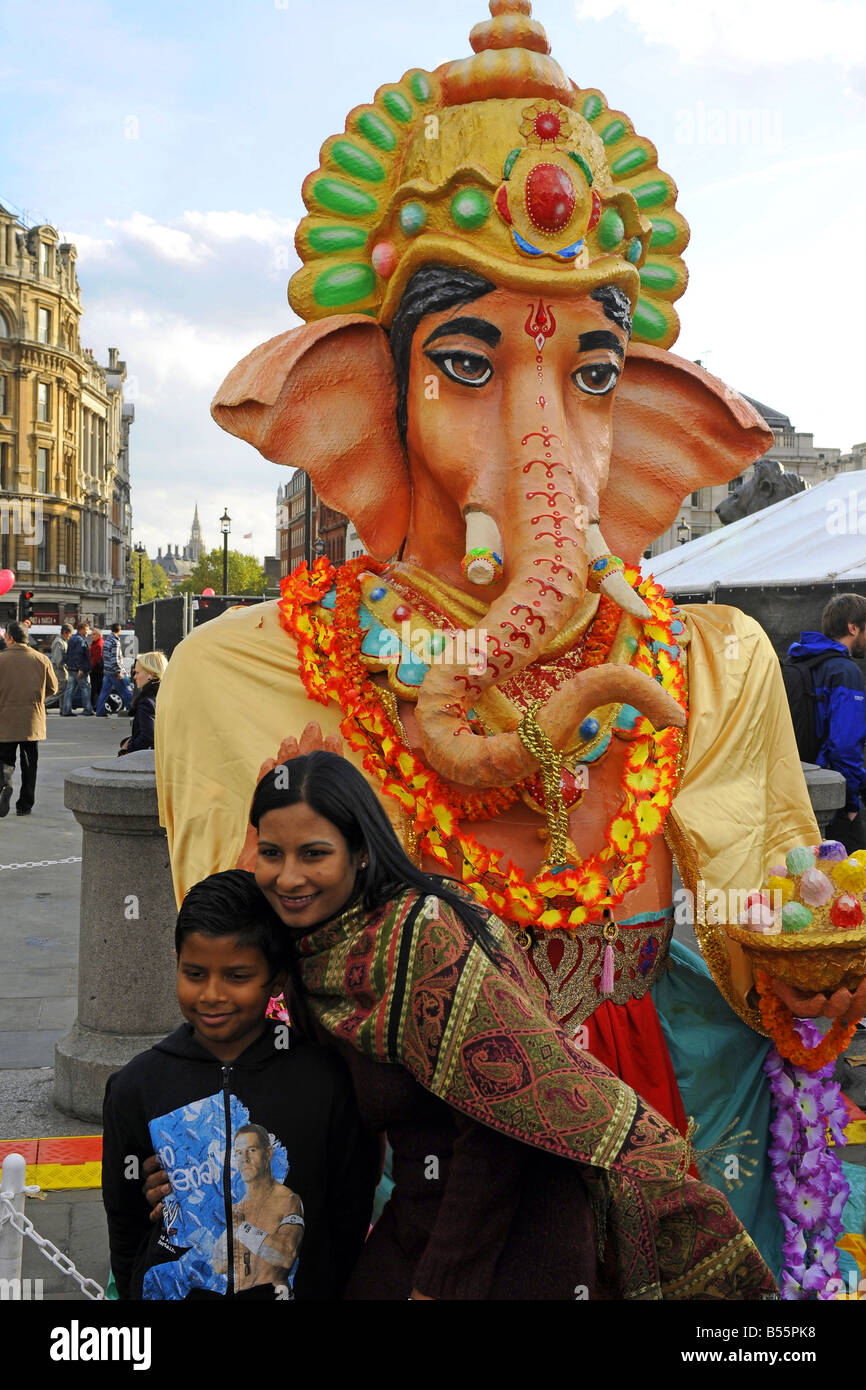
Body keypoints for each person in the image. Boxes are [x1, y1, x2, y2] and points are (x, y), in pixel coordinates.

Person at [246, 749, 776, 1298]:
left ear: (359, 854)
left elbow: (498, 1131)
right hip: (421, 1218)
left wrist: (441, 1286)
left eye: (313, 854)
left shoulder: (421, 935)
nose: (288, 876)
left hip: (524, 1231)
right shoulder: (314, 958)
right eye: (269, 853)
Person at [101, 869, 377, 1300]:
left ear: (278, 979)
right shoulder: (137, 1086)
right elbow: (125, 1221)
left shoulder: (324, 1083)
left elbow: (348, 1212)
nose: (212, 994)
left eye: (237, 976)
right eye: (194, 973)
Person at [787, 593, 866, 854]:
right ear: (853, 628)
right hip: (833, 801)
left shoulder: (796, 662)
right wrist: (851, 804)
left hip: (793, 789)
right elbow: (845, 745)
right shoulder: (845, 671)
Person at [0, 620, 58, 817]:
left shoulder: (1, 659)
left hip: (5, 719)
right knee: (29, 763)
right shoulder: (41, 659)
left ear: (10, 638)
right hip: (32, 720)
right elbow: (53, 688)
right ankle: (25, 804)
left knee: (5, 761)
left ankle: (4, 787)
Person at [118, 651, 166, 756]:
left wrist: (128, 748)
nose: (134, 677)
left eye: (137, 672)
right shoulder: (166, 696)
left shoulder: (146, 702)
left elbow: (148, 737)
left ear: (151, 675)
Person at [96, 623, 132, 716]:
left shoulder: (107, 640)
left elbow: (105, 656)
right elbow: (114, 658)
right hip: (114, 672)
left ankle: (99, 711)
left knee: (104, 692)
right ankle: (131, 708)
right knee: (124, 691)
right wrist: (118, 671)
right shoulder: (115, 642)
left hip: (107, 671)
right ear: (119, 631)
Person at [62, 621, 92, 716]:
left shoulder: (72, 639)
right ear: (81, 630)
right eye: (86, 630)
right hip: (79, 669)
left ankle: (66, 710)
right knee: (85, 688)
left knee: (69, 690)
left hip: (71, 669)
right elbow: (78, 655)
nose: (88, 632)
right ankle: (87, 709)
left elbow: (69, 654)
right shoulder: (80, 640)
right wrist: (81, 668)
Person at [50, 623, 72, 710]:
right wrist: (64, 667)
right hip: (59, 668)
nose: (70, 636)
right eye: (70, 633)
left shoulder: (62, 641)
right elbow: (58, 658)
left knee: (63, 689)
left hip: (60, 668)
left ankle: (63, 708)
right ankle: (44, 703)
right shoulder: (59, 642)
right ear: (65, 632)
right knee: (61, 689)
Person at [89, 627, 104, 711]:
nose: (92, 636)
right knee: (98, 689)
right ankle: (97, 706)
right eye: (92, 634)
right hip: (97, 670)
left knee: (95, 689)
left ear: (99, 635)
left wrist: (90, 667)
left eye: (94, 634)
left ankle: (95, 706)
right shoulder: (96, 643)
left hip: (97, 671)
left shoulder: (98, 644)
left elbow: (96, 659)